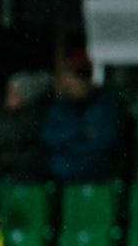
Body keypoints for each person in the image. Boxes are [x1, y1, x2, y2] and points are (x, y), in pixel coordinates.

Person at [41, 52, 123, 183]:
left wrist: (69, 142)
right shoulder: (60, 107)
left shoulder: (105, 105)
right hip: (62, 177)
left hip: (95, 178)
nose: (76, 83)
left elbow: (104, 142)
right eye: (73, 77)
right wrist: (80, 133)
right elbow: (49, 137)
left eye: (81, 78)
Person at [0, 71, 52, 185]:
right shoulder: (0, 115)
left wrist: (7, 159)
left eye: (15, 93)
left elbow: (33, 154)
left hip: (27, 180)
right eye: (9, 91)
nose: (10, 96)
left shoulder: (34, 119)